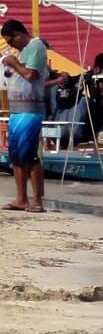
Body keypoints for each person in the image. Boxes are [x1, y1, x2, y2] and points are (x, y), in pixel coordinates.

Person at [2, 18, 49, 212]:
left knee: (30, 156)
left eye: (11, 41)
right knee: (16, 156)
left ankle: (37, 199)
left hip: (30, 110)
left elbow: (31, 75)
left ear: (19, 34)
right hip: (17, 109)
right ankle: (21, 198)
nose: (11, 46)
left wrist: (13, 63)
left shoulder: (36, 45)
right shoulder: (23, 52)